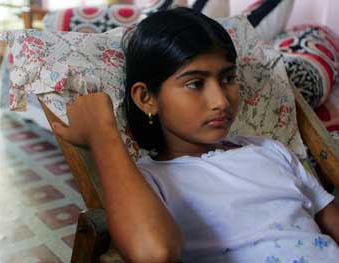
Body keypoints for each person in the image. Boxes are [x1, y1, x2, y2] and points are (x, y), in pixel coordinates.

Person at [51, 7, 339, 263]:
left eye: (228, 79)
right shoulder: (149, 181)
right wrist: (103, 133)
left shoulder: (271, 151)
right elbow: (154, 254)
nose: (221, 102)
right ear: (146, 98)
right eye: (195, 83)